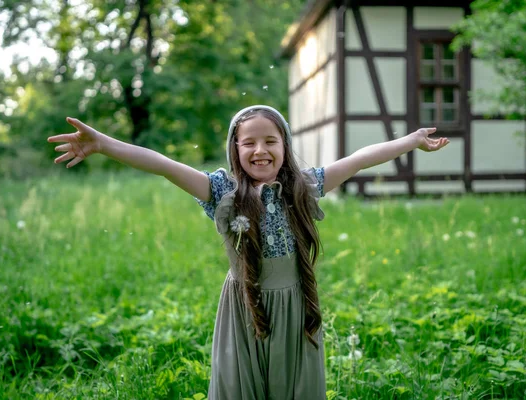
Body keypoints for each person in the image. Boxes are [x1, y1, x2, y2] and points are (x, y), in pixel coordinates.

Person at [47, 105, 449, 399]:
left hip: (295, 304)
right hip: (244, 306)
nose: (261, 150)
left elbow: (359, 160)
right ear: (235, 150)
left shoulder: (303, 186)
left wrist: (411, 141)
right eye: (249, 143)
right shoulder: (221, 192)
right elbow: (164, 165)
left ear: (285, 146)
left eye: (270, 141)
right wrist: (103, 143)